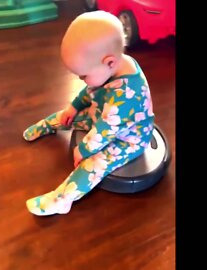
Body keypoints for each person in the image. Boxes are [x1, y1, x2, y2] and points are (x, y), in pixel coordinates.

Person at [23, 11, 155, 216]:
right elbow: (92, 90)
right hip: (104, 118)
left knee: (95, 164)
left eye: (83, 75)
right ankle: (48, 126)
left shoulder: (127, 97)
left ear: (109, 62)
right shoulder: (112, 66)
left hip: (128, 138)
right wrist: (74, 107)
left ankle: (62, 200)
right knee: (67, 115)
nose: (82, 80)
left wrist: (83, 150)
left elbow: (104, 131)